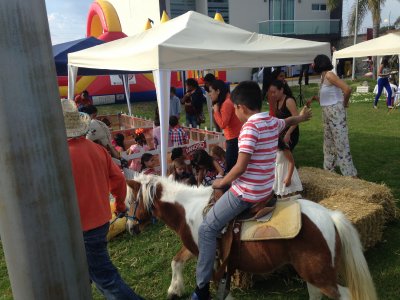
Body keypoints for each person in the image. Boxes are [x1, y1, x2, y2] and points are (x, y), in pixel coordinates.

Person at [191, 81, 311, 300]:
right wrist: (301, 118)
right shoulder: (270, 121)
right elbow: (288, 121)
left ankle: (201, 290)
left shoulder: (248, 128)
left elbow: (240, 167)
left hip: (247, 194)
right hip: (267, 188)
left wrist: (220, 182)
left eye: (235, 108)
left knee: (207, 229)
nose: (235, 112)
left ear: (241, 108)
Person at [61, 99, 143, 300]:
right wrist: (121, 204)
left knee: (106, 279)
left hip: (78, 227)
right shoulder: (97, 150)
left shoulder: (61, 156)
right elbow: (118, 179)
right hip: (100, 221)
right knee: (86, 273)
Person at [306, 54, 357, 177]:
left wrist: (344, 104)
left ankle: (350, 174)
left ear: (319, 63)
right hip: (327, 113)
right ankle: (329, 170)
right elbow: (327, 98)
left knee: (341, 143)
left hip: (336, 114)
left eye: (314, 62)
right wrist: (314, 98)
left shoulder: (329, 74)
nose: (312, 65)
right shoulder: (323, 77)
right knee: (328, 143)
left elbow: (347, 89)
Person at [209, 79, 243, 172]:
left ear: (218, 91)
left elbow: (223, 124)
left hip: (233, 139)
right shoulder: (230, 99)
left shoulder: (226, 103)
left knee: (231, 168)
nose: (209, 94)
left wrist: (216, 111)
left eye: (211, 91)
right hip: (235, 137)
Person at [269, 80, 300, 151]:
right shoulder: (275, 101)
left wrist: (288, 134)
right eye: (271, 92)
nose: (273, 94)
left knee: (285, 155)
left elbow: (296, 118)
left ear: (281, 90)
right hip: (280, 132)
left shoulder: (289, 101)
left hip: (290, 133)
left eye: (274, 92)